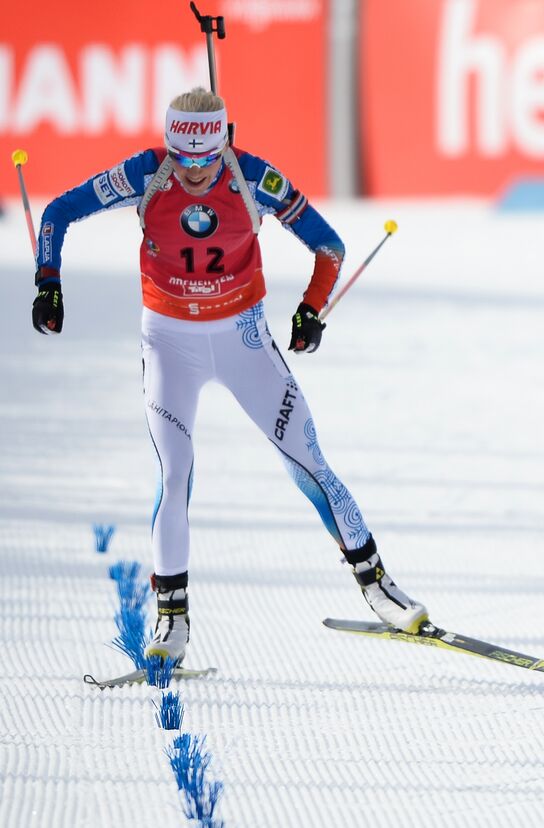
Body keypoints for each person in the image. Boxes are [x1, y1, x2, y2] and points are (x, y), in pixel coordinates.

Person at [30, 87, 427, 664]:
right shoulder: (145, 173)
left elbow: (330, 247)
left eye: (205, 160)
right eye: (182, 158)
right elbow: (58, 212)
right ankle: (172, 618)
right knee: (176, 473)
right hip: (169, 341)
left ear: (224, 144)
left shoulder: (254, 179)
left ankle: (378, 585)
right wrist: (48, 282)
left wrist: (312, 308)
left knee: (309, 460)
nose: (192, 173)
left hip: (243, 340)